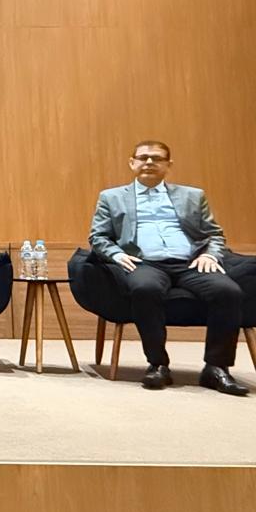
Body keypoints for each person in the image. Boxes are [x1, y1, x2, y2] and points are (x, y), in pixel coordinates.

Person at [89, 140, 247, 396]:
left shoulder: (192, 195)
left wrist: (210, 255)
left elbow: (214, 234)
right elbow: (98, 237)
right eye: (143, 157)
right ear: (132, 163)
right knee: (145, 289)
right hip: (143, 262)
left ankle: (216, 367)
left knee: (229, 292)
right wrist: (116, 254)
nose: (149, 162)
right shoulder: (112, 197)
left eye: (157, 158)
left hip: (191, 262)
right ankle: (158, 364)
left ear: (168, 164)